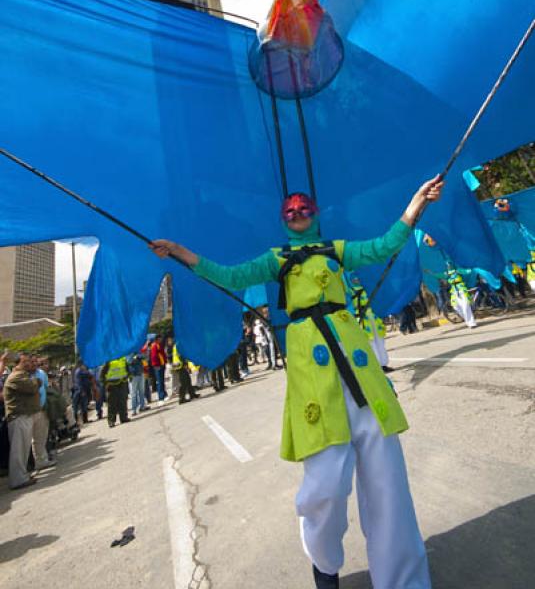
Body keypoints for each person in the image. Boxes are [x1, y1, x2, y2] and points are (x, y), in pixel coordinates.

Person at [151, 176, 443, 589]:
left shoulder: (337, 250)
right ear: (282, 219)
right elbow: (228, 276)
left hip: (360, 368)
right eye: (290, 209)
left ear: (316, 213)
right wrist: (179, 252)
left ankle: (404, 582)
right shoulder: (276, 257)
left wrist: (416, 204)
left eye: (305, 207)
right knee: (324, 488)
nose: (297, 212)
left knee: (388, 487)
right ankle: (324, 563)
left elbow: (385, 245)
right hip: (313, 371)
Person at [4, 352, 41, 489]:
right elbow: (32, 387)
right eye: (24, 362)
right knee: (18, 451)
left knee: (24, 449)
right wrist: (37, 381)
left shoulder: (22, 376)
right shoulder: (17, 377)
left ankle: (22, 475)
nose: (28, 364)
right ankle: (18, 479)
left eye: (28, 361)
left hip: (23, 416)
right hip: (18, 417)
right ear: (17, 363)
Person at [30, 355, 56, 470]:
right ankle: (37, 461)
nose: (35, 364)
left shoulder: (41, 373)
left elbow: (46, 388)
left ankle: (43, 459)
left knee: (42, 436)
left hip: (43, 408)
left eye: (36, 361)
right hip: (31, 411)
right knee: (34, 438)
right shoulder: (26, 376)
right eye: (32, 362)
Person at [101, 356, 130, 427]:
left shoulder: (123, 359)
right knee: (112, 403)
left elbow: (127, 369)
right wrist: (105, 384)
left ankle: (123, 417)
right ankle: (111, 421)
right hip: (112, 384)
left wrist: (128, 377)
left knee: (122, 401)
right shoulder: (109, 360)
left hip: (122, 382)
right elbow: (102, 374)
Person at [150, 335, 167, 402]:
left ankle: (164, 394)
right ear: (156, 339)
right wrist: (157, 365)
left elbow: (163, 354)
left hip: (162, 365)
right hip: (158, 366)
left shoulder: (159, 345)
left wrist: (165, 362)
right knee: (159, 381)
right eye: (159, 338)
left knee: (162, 381)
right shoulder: (154, 346)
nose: (161, 339)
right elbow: (154, 357)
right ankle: (161, 397)